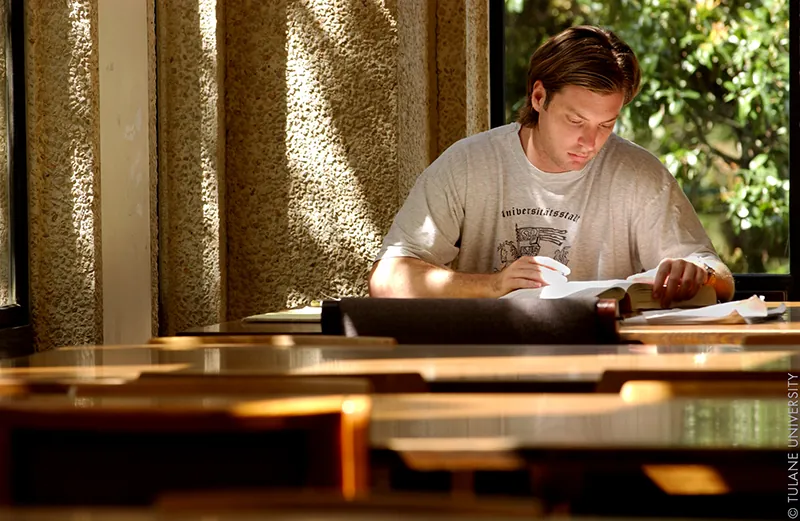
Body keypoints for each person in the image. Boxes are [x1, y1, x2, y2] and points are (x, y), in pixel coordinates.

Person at [369, 25, 734, 307]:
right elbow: (386, 279)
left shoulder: (639, 173)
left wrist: (698, 274)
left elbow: (721, 278)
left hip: (607, 362)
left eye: (606, 124)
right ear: (539, 97)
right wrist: (495, 284)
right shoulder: (467, 164)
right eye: (576, 121)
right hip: (488, 360)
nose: (590, 142)